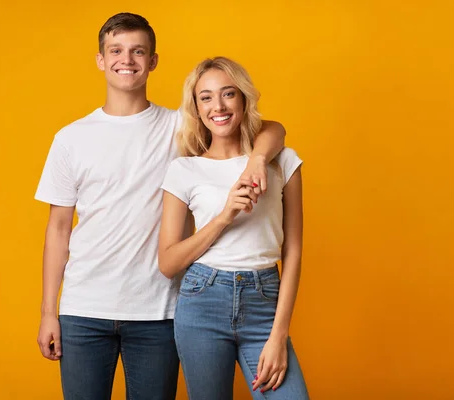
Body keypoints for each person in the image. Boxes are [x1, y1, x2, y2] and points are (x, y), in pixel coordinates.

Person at [34, 13, 287, 400]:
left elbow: (271, 129)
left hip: (159, 311)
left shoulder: (181, 129)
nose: (127, 60)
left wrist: (256, 161)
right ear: (100, 59)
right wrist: (48, 312)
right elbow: (58, 229)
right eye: (116, 51)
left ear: (153, 61)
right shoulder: (71, 139)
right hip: (83, 310)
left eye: (139, 51)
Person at [158, 56, 309, 399]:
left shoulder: (281, 160)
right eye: (206, 97)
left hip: (264, 301)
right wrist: (225, 215)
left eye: (228, 94)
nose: (219, 106)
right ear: (196, 108)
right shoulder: (184, 170)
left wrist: (278, 335)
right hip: (202, 301)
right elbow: (168, 263)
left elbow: (294, 251)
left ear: (243, 99)